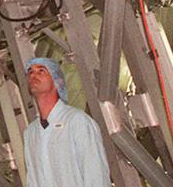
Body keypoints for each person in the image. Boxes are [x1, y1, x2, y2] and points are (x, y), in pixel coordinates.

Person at [22, 56, 111, 187]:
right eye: (30, 72)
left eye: (41, 71)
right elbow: (33, 180)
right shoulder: (31, 132)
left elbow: (96, 175)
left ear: (57, 81)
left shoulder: (77, 121)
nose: (33, 75)